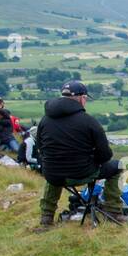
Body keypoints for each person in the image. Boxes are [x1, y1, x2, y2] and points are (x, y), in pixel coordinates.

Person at [34, 80, 122, 229]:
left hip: (53, 174)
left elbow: (40, 147)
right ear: (81, 98)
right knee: (118, 166)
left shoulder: (45, 120)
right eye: (86, 98)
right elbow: (105, 155)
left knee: (54, 171)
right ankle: (113, 211)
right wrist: (94, 160)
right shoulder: (89, 121)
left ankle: (46, 218)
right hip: (83, 173)